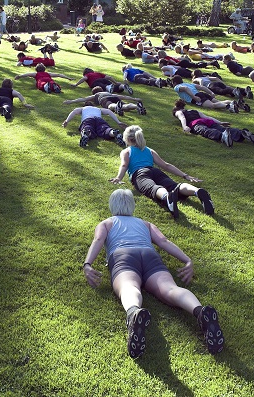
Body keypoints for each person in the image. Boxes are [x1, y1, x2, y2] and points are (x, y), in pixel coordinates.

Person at [82, 189, 224, 358]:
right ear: (132, 206)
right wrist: (187, 260)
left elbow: (98, 240)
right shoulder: (145, 224)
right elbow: (163, 241)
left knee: (129, 286)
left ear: (112, 206)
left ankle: (134, 312)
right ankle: (200, 311)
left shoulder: (106, 223)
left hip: (123, 256)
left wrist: (87, 264)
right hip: (150, 256)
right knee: (170, 289)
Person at [110, 125, 215, 220]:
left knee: (152, 188)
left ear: (127, 139)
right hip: (155, 171)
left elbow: (124, 165)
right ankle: (197, 191)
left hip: (140, 174)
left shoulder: (126, 151)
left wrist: (118, 178)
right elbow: (166, 165)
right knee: (175, 186)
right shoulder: (149, 150)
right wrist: (185, 175)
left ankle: (166, 197)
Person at [172, 99, 254, 147]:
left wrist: (184, 127)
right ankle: (241, 133)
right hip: (207, 121)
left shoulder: (178, 112)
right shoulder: (194, 111)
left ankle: (222, 136)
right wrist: (220, 122)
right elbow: (207, 117)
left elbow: (182, 118)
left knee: (206, 131)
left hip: (195, 124)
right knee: (221, 128)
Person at [62, 103, 127, 147]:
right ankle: (113, 132)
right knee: (105, 129)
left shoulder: (83, 108)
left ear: (85, 105)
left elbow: (74, 111)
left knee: (88, 127)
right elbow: (109, 111)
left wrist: (67, 121)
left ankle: (86, 133)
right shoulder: (98, 109)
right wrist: (118, 122)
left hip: (88, 119)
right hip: (99, 120)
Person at [172, 75, 241, 113]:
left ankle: (231, 107)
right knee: (218, 102)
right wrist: (211, 92)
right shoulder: (188, 83)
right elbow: (201, 87)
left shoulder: (176, 87)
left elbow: (185, 89)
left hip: (196, 97)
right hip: (201, 94)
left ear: (174, 82)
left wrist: (194, 97)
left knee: (212, 105)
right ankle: (232, 102)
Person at [63, 87, 146, 116]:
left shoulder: (97, 95)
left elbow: (83, 99)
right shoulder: (108, 92)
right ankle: (136, 106)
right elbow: (122, 96)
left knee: (110, 106)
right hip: (113, 96)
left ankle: (116, 107)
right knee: (125, 106)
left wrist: (70, 101)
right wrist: (135, 99)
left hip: (104, 99)